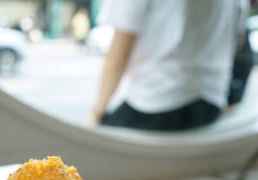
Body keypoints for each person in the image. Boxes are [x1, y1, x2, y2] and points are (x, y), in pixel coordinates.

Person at [88, 0, 239, 131]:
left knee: (96, 148)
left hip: (156, 103)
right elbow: (235, 43)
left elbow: (118, 58)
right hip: (210, 106)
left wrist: (97, 113)